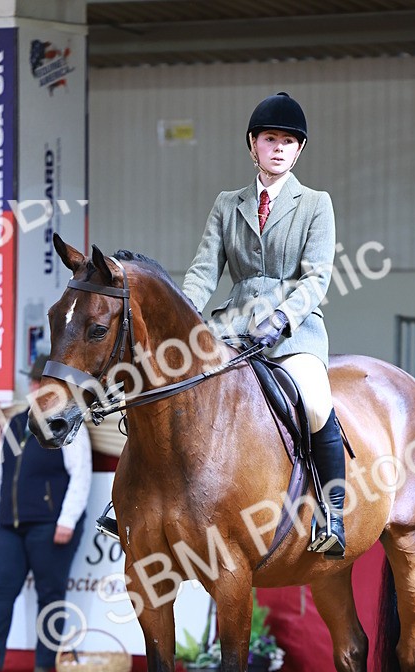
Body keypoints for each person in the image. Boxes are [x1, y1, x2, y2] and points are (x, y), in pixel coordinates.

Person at [98, 91, 344, 557]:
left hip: (294, 331)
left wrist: (283, 318)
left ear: (299, 150)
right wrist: (176, 320)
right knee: (163, 386)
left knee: (315, 403)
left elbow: (316, 278)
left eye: (288, 142)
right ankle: (126, 504)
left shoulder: (316, 204)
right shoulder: (227, 204)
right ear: (252, 144)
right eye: (270, 139)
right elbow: (203, 272)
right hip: (230, 327)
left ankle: (332, 513)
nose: (279, 148)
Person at [0, 355, 92, 672]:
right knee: (0, 594)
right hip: (10, 525)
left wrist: (67, 520)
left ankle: (44, 670)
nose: (33, 388)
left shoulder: (67, 422)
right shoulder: (17, 423)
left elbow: (81, 475)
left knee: (51, 595)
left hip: (50, 525)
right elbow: (0, 473)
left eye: (39, 383)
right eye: (33, 383)